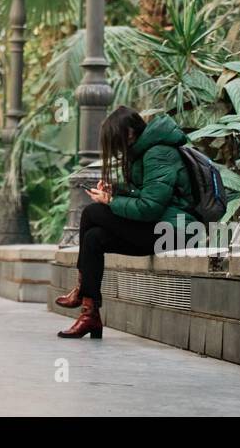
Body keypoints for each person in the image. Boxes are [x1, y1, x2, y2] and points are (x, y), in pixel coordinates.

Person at [55, 106, 197, 339]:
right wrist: (117, 192)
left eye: (116, 140)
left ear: (130, 132)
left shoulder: (159, 152)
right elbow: (147, 197)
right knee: (93, 238)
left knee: (92, 213)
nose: (117, 147)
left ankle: (83, 292)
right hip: (161, 228)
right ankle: (90, 314)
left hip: (176, 231)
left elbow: (150, 208)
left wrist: (111, 201)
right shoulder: (143, 152)